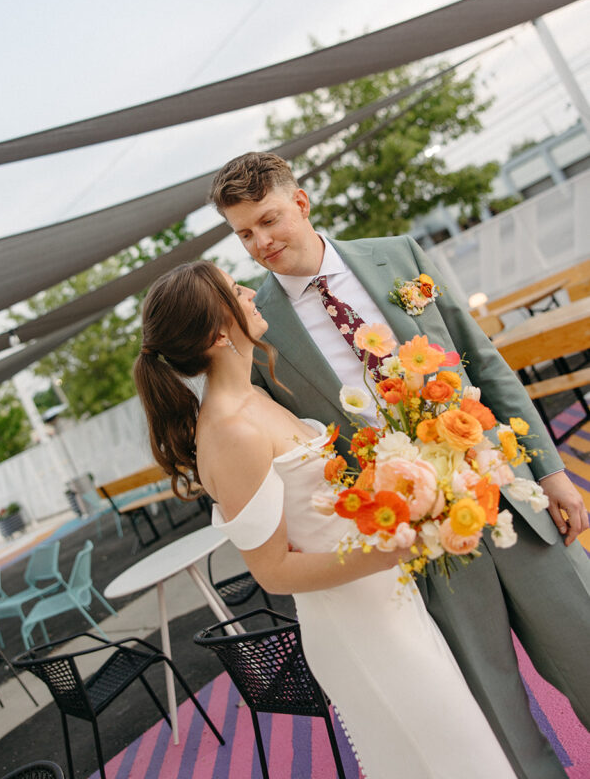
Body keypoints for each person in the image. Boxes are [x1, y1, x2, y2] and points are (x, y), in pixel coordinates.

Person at [208, 150, 590, 779]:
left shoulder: (399, 256)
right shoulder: (257, 328)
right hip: (414, 539)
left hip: (507, 494)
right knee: (495, 707)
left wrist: (550, 472)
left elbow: (482, 360)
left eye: (270, 220)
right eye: (244, 233)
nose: (261, 242)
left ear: (301, 202)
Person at [134, 260, 518, 779]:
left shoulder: (256, 400)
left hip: (387, 602)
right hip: (356, 625)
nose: (249, 292)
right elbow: (271, 571)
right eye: (233, 290)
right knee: (453, 761)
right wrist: (396, 548)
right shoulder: (230, 431)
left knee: (460, 756)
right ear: (216, 331)